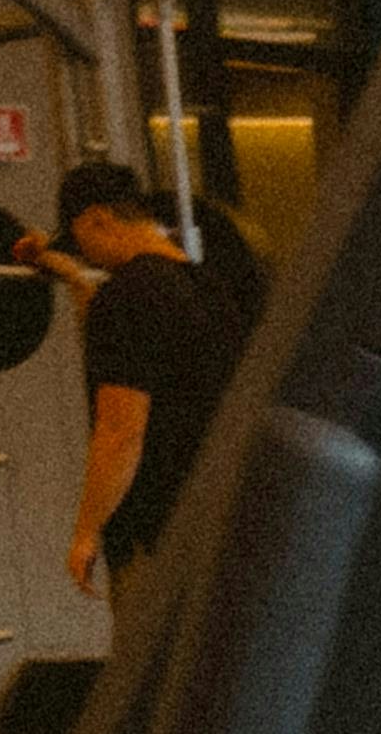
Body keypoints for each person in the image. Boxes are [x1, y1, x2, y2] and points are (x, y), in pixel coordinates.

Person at [56, 160, 264, 605]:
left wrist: (86, 532)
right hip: (220, 522)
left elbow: (121, 432)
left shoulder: (126, 298)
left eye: (78, 241)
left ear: (97, 220)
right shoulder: (208, 288)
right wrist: (69, 274)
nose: (84, 255)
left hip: (162, 538)